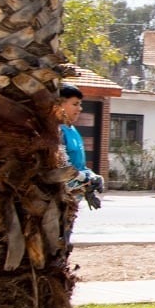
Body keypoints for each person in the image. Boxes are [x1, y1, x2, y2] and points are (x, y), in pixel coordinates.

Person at [57, 85, 103, 239]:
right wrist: (86, 180)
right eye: (75, 104)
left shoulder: (73, 131)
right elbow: (63, 168)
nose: (80, 109)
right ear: (60, 105)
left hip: (72, 201)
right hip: (58, 201)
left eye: (80, 104)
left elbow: (80, 166)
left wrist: (94, 177)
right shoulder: (57, 131)